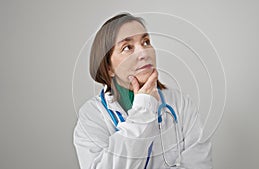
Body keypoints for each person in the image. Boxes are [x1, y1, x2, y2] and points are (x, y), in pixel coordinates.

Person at [73, 12, 212, 169]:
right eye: (127, 47)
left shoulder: (181, 104)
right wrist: (143, 108)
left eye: (146, 42)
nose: (143, 53)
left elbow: (199, 164)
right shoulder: (92, 116)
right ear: (109, 68)